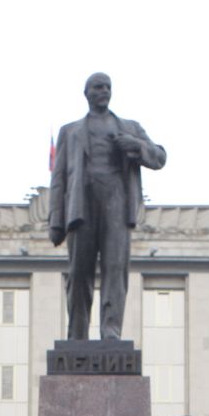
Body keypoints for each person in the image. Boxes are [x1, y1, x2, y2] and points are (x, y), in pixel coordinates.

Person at [48, 72, 167, 341]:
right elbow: (58, 180)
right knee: (79, 273)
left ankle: (111, 332)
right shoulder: (70, 131)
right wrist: (56, 221)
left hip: (116, 203)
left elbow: (160, 157)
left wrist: (135, 146)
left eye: (108, 87)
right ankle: (77, 336)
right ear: (86, 93)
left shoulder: (129, 127)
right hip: (81, 208)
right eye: (98, 87)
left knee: (115, 270)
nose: (104, 91)